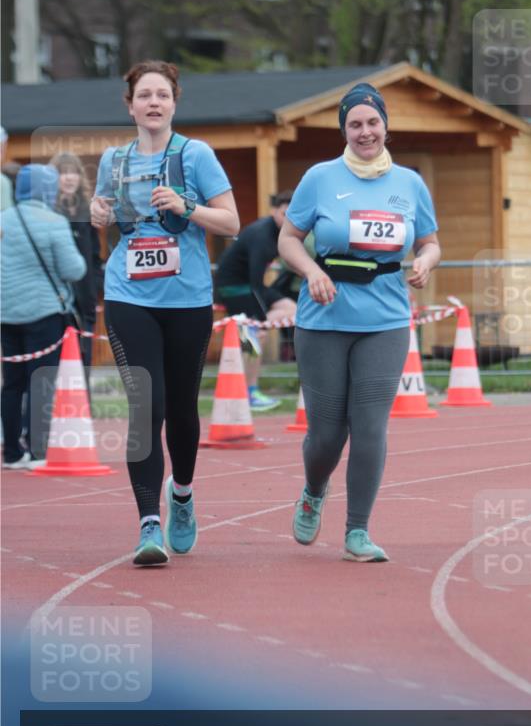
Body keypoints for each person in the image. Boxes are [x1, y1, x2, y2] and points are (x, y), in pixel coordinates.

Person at [278, 82, 441, 563]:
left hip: (386, 319)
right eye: (355, 124)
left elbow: (430, 241)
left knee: (370, 428)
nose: (365, 132)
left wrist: (427, 261)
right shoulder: (319, 178)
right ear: (344, 130)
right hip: (325, 319)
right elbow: (288, 239)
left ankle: (357, 531)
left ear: (385, 126)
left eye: (373, 122)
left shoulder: (410, 183)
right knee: (327, 434)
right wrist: (310, 271)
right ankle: (313, 488)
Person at [90, 60, 240, 567]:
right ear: (128, 104)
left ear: (175, 102)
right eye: (144, 95)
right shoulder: (113, 159)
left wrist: (185, 206)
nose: (153, 103)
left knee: (180, 409)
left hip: (187, 300)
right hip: (129, 297)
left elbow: (232, 223)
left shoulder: (196, 155)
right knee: (144, 408)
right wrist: (98, 214)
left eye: (162, 95)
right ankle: (147, 524)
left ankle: (182, 494)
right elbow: (105, 215)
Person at [1, 164, 86, 469]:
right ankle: (38, 451)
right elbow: (74, 269)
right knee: (41, 380)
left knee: (12, 383)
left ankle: (11, 452)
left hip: (6, 313)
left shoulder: (2, 220)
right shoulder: (54, 222)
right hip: (44, 312)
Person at [215, 190, 297, 411]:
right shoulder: (262, 234)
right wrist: (259, 318)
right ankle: (249, 392)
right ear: (274, 212)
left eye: (292, 215)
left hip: (251, 285)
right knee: (253, 338)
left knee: (290, 307)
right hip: (234, 287)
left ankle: (255, 330)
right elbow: (255, 280)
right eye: (284, 213)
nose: (287, 218)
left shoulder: (283, 233)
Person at [50, 152, 103, 371]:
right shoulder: (48, 212)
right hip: (56, 302)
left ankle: (83, 407)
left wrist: (96, 286)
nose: (69, 178)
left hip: (85, 303)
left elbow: (95, 258)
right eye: (63, 173)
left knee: (83, 364)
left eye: (73, 172)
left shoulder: (87, 211)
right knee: (55, 366)